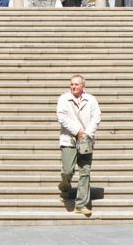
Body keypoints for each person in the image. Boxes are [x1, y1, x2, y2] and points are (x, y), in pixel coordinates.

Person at [57, 74, 100, 217]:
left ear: (83, 86)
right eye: (71, 84)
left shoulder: (91, 100)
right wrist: (77, 131)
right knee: (67, 171)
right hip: (69, 139)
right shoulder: (64, 99)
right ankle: (65, 187)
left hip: (86, 140)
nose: (73, 87)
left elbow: (96, 117)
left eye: (76, 84)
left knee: (85, 171)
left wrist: (86, 133)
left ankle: (80, 204)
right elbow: (61, 117)